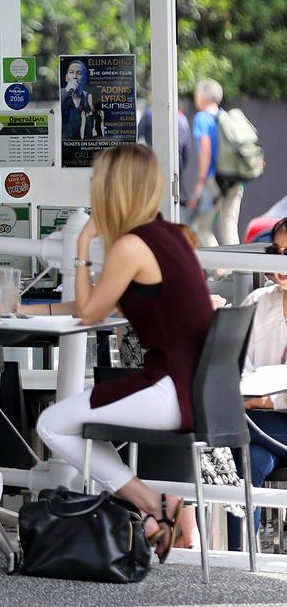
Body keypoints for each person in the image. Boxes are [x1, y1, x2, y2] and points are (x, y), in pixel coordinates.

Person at [35, 143, 214, 563]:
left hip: (169, 390)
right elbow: (101, 303)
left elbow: (88, 311)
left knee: (52, 424)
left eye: (97, 182)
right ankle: (155, 505)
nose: (93, 189)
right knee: (68, 423)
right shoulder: (167, 237)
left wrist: (81, 244)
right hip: (192, 390)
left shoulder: (131, 246)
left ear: (113, 190)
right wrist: (20, 308)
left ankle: (152, 503)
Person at [228, 217, 287, 550]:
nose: (280, 263)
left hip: (260, 417)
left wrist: (259, 402)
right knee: (247, 461)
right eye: (275, 252)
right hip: (259, 423)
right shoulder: (256, 303)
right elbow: (235, 371)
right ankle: (241, 560)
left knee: (227, 433)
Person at [188, 78, 243, 247]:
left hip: (214, 181)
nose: (195, 97)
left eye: (197, 94)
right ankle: (237, 270)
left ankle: (220, 270)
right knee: (229, 226)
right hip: (235, 179)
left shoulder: (202, 118)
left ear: (204, 96)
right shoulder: (226, 117)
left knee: (200, 226)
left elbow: (205, 149)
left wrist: (200, 181)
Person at [138, 102, 191, 222]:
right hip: (176, 172)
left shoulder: (148, 113)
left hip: (152, 169)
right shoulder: (183, 120)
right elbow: (187, 153)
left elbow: (136, 140)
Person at [61, 61, 89, 141]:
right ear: (66, 78)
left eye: (79, 73)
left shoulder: (89, 98)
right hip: (65, 147)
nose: (74, 76)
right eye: (71, 72)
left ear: (85, 78)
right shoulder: (61, 94)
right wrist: (67, 91)